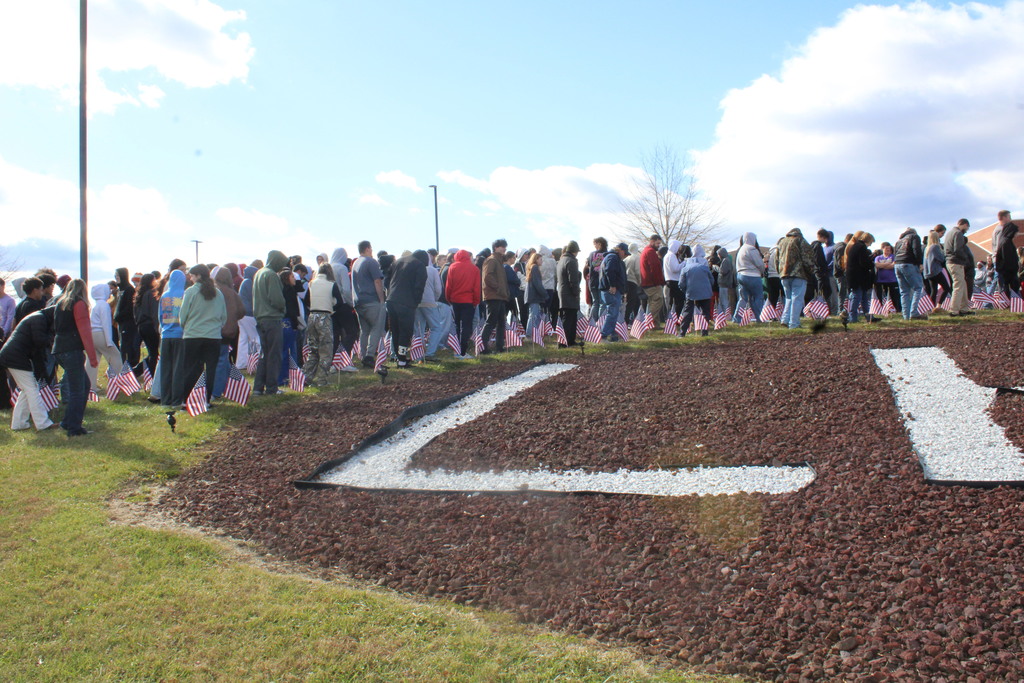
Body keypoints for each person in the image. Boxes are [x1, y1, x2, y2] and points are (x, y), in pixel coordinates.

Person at [51, 279, 98, 436]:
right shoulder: (79, 304)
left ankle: (68, 421)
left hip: (59, 348)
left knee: (83, 385)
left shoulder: (60, 303)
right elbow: (85, 332)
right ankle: (74, 427)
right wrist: (92, 357)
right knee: (79, 389)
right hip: (72, 350)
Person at [176, 264, 227, 407]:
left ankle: (186, 400)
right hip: (213, 336)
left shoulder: (190, 292)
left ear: (198, 276)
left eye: (192, 275)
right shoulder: (218, 293)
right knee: (210, 369)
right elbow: (224, 317)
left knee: (190, 369)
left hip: (193, 335)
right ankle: (206, 400)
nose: (190, 278)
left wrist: (186, 326)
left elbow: (183, 315)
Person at [0, 308, 57, 431]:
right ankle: (43, 423)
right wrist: (52, 340)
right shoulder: (40, 319)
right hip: (16, 357)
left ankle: (19, 424)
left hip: (12, 356)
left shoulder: (37, 317)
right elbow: (39, 341)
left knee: (27, 389)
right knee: (32, 389)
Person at [252, 250, 288, 395]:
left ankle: (257, 387)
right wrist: (283, 308)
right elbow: (276, 299)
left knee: (264, 354)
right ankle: (272, 388)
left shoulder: (259, 273)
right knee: (274, 354)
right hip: (272, 318)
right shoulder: (271, 275)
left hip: (260, 318)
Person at [386, 250, 429, 367]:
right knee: (406, 332)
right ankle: (402, 360)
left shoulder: (397, 262)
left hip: (391, 300)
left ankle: (398, 357)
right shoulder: (419, 265)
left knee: (395, 331)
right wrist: (416, 302)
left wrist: (390, 292)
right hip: (406, 302)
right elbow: (419, 286)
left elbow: (387, 279)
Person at [211, 266, 246, 398]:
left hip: (214, 330)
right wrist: (232, 318)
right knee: (222, 360)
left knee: (218, 361)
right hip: (229, 331)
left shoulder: (214, 291)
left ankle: (216, 391)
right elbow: (242, 311)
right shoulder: (232, 293)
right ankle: (227, 387)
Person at [351, 241, 387, 368]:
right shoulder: (371, 262)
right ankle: (370, 356)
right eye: (371, 248)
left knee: (364, 330)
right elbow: (377, 281)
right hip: (371, 300)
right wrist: (381, 299)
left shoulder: (355, 263)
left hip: (358, 301)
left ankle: (363, 354)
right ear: (367, 249)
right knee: (376, 328)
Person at [302, 263, 339, 384]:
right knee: (326, 349)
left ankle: (306, 377)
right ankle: (322, 379)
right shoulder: (332, 284)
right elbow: (338, 302)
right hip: (325, 316)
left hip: (312, 316)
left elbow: (307, 300)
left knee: (313, 349)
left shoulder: (311, 283)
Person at [85, 283, 125, 394]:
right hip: (101, 334)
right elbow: (106, 324)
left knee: (92, 360)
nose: (110, 292)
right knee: (115, 356)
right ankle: (123, 383)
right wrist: (109, 340)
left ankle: (90, 386)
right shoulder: (104, 305)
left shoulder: (95, 305)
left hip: (92, 335)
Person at [775, 228, 817, 329]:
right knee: (797, 299)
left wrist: (780, 272)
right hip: (798, 274)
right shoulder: (801, 241)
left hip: (784, 275)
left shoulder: (781, 242)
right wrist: (811, 271)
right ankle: (794, 324)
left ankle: (785, 319)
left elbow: (776, 260)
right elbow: (807, 259)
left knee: (789, 298)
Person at [156, 270, 186, 406]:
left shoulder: (164, 295)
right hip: (180, 335)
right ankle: (177, 399)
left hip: (166, 335)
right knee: (178, 368)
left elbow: (160, 316)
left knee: (166, 368)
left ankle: (165, 400)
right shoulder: (185, 294)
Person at [444, 249, 481, 359]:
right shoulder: (474, 269)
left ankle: (457, 350)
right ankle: (463, 351)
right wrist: (475, 302)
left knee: (456, 325)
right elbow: (476, 288)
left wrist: (449, 299)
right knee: (466, 326)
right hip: (468, 301)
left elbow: (448, 285)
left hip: (455, 300)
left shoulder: (453, 267)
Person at [414, 253, 447, 360]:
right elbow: (438, 289)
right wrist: (435, 299)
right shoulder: (432, 270)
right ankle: (430, 353)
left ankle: (418, 354)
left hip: (416, 302)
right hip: (429, 301)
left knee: (419, 329)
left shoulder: (414, 269)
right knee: (436, 327)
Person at [480, 239, 510, 354]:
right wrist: (498, 288)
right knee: (491, 322)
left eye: (505, 247)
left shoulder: (499, 261)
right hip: (493, 295)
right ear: (496, 247)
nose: (504, 249)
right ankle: (483, 347)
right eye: (502, 246)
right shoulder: (491, 260)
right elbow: (488, 277)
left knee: (501, 322)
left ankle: (499, 347)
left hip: (500, 296)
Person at [678, 245, 714, 337]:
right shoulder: (705, 267)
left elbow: (681, 284)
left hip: (691, 292)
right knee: (705, 312)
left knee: (687, 313)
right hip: (705, 292)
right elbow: (711, 280)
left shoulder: (685, 268)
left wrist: (686, 291)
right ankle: (704, 332)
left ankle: (682, 333)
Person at [893, 227, 926, 319]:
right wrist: (920, 263)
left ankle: (906, 316)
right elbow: (916, 250)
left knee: (904, 292)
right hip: (909, 264)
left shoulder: (899, 241)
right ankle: (914, 313)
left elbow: (895, 253)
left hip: (897, 265)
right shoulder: (914, 237)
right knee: (918, 287)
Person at [843, 231, 876, 323]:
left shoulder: (855, 246)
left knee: (864, 296)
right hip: (857, 276)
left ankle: (868, 316)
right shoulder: (861, 247)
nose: (870, 245)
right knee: (857, 296)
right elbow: (864, 263)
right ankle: (852, 317)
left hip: (855, 275)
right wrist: (872, 263)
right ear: (868, 240)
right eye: (871, 242)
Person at [598, 243, 628, 341]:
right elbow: (609, 270)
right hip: (610, 289)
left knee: (614, 312)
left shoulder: (610, 257)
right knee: (612, 312)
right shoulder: (613, 257)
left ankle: (613, 336)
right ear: (621, 250)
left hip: (609, 289)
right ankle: (604, 335)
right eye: (624, 253)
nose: (625, 256)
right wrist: (613, 285)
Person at [277, 268, 302, 386]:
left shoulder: (281, 290)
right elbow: (292, 310)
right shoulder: (290, 291)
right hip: (289, 322)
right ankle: (291, 376)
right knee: (291, 351)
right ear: (287, 278)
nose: (295, 279)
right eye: (292, 277)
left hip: (281, 322)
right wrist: (295, 324)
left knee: (282, 351)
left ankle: (282, 377)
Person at [113, 267, 140, 370]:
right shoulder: (120, 290)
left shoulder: (129, 290)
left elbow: (129, 308)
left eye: (118, 276)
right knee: (123, 347)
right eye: (115, 276)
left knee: (127, 347)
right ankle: (124, 368)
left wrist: (118, 316)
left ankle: (129, 369)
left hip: (128, 324)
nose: (116, 278)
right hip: (121, 324)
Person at [734, 232, 765, 321]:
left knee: (743, 299)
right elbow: (760, 264)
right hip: (753, 276)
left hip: (741, 275)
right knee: (757, 297)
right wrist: (762, 271)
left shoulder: (741, 249)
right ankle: (760, 317)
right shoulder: (752, 249)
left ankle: (737, 318)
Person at [556, 240, 581, 347]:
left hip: (562, 292)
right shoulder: (571, 261)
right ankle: (564, 342)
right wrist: (576, 292)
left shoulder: (562, 260)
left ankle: (569, 341)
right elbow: (573, 280)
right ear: (575, 251)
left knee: (569, 317)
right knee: (569, 318)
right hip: (569, 293)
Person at [134, 273, 160, 377]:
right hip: (150, 325)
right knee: (154, 354)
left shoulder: (139, 295)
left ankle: (136, 371)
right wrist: (157, 327)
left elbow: (135, 314)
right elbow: (154, 312)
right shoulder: (151, 294)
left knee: (152, 353)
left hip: (141, 326)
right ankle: (151, 375)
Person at [235, 264, 260, 370]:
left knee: (243, 340)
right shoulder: (249, 282)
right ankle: (257, 362)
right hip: (249, 314)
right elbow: (253, 298)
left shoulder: (244, 282)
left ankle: (241, 363)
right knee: (256, 338)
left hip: (241, 314)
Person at [639, 234, 665, 321]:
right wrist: (659, 281)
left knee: (652, 302)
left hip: (647, 281)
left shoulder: (646, 251)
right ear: (652, 241)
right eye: (658, 243)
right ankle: (649, 322)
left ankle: (655, 324)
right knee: (658, 300)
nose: (659, 246)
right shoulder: (650, 252)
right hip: (652, 282)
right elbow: (654, 268)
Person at [994, 210, 1020, 297]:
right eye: (1009, 217)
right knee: (1003, 284)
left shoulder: (1003, 231)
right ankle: (1007, 301)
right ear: (1004, 217)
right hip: (1002, 262)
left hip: (1002, 261)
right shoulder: (1001, 231)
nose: (1010, 219)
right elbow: (1000, 248)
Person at [583, 238, 608, 322]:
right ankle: (601, 322)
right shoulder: (607, 254)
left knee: (595, 302)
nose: (594, 246)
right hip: (603, 281)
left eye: (595, 244)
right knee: (602, 303)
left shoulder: (591, 254)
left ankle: (593, 322)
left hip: (593, 281)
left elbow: (588, 266)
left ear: (599, 244)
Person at [923, 227, 949, 305]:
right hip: (936, 271)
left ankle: (931, 306)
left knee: (933, 290)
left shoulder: (927, 248)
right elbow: (941, 259)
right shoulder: (935, 247)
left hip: (928, 273)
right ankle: (939, 305)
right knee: (946, 288)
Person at [524, 251, 547, 339]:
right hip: (534, 296)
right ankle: (529, 335)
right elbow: (537, 284)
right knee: (533, 315)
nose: (542, 261)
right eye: (540, 259)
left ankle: (532, 334)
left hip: (531, 296)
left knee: (534, 315)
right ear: (536, 259)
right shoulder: (535, 268)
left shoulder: (531, 268)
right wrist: (545, 294)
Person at [817, 229, 840, 314]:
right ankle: (825, 310)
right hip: (823, 274)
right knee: (825, 293)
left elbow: (834, 261)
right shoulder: (822, 248)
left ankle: (834, 311)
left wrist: (827, 267)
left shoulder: (834, 247)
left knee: (833, 294)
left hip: (831, 274)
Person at [873, 243, 900, 313]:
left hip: (892, 280)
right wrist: (887, 264)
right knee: (880, 296)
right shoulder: (878, 257)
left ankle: (898, 310)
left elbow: (893, 266)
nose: (888, 250)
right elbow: (877, 265)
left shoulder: (893, 256)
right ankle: (881, 310)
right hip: (880, 280)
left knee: (895, 296)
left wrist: (883, 265)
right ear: (882, 249)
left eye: (889, 249)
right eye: (886, 248)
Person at [663, 240, 685, 315]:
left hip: (671, 280)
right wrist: (684, 263)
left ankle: (673, 317)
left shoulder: (669, 255)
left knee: (674, 301)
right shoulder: (671, 256)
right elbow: (675, 269)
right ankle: (676, 317)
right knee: (678, 301)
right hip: (674, 280)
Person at [623, 243, 642, 323]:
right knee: (631, 302)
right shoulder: (637, 258)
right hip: (633, 281)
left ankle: (637, 320)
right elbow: (637, 271)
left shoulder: (625, 259)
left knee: (636, 301)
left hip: (626, 281)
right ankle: (626, 320)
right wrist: (639, 281)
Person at [716, 246, 736, 314]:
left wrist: (716, 268)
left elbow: (723, 271)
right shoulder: (728, 260)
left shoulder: (725, 261)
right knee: (724, 300)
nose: (718, 256)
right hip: (726, 283)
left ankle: (725, 314)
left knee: (724, 300)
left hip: (724, 283)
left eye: (718, 254)